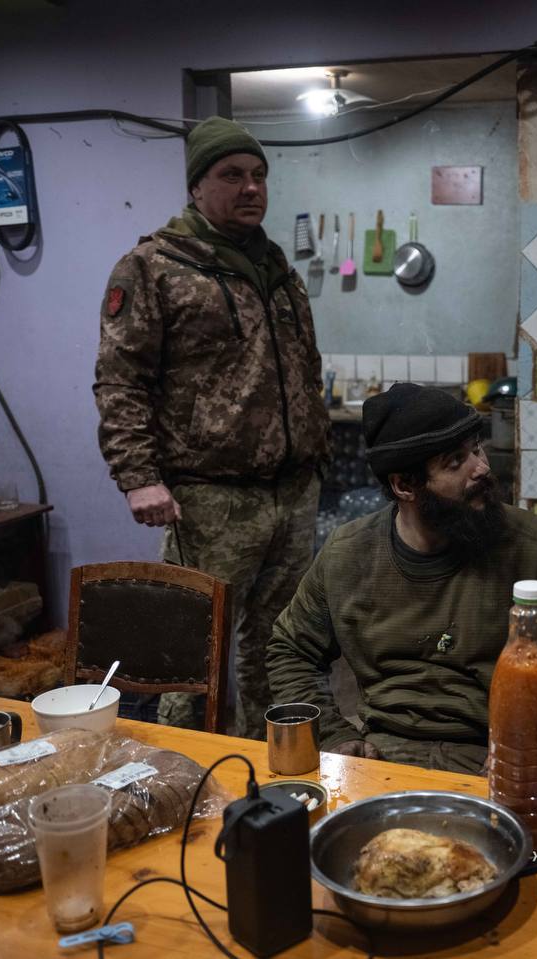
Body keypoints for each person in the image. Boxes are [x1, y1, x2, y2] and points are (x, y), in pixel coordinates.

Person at [266, 383, 537, 784]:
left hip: (501, 758)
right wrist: (333, 734)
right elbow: (290, 648)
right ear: (404, 485)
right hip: (384, 758)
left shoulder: (534, 547)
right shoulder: (348, 555)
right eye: (455, 462)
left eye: (477, 449)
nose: (481, 468)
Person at [94, 116, 330, 739]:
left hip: (291, 493)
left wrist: (318, 455)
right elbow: (120, 380)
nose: (251, 188)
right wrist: (138, 477)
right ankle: (187, 770)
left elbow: (305, 369)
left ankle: (268, 763)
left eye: (258, 176)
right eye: (232, 175)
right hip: (209, 499)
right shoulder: (153, 267)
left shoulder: (276, 269)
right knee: (196, 649)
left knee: (280, 644)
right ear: (197, 186)